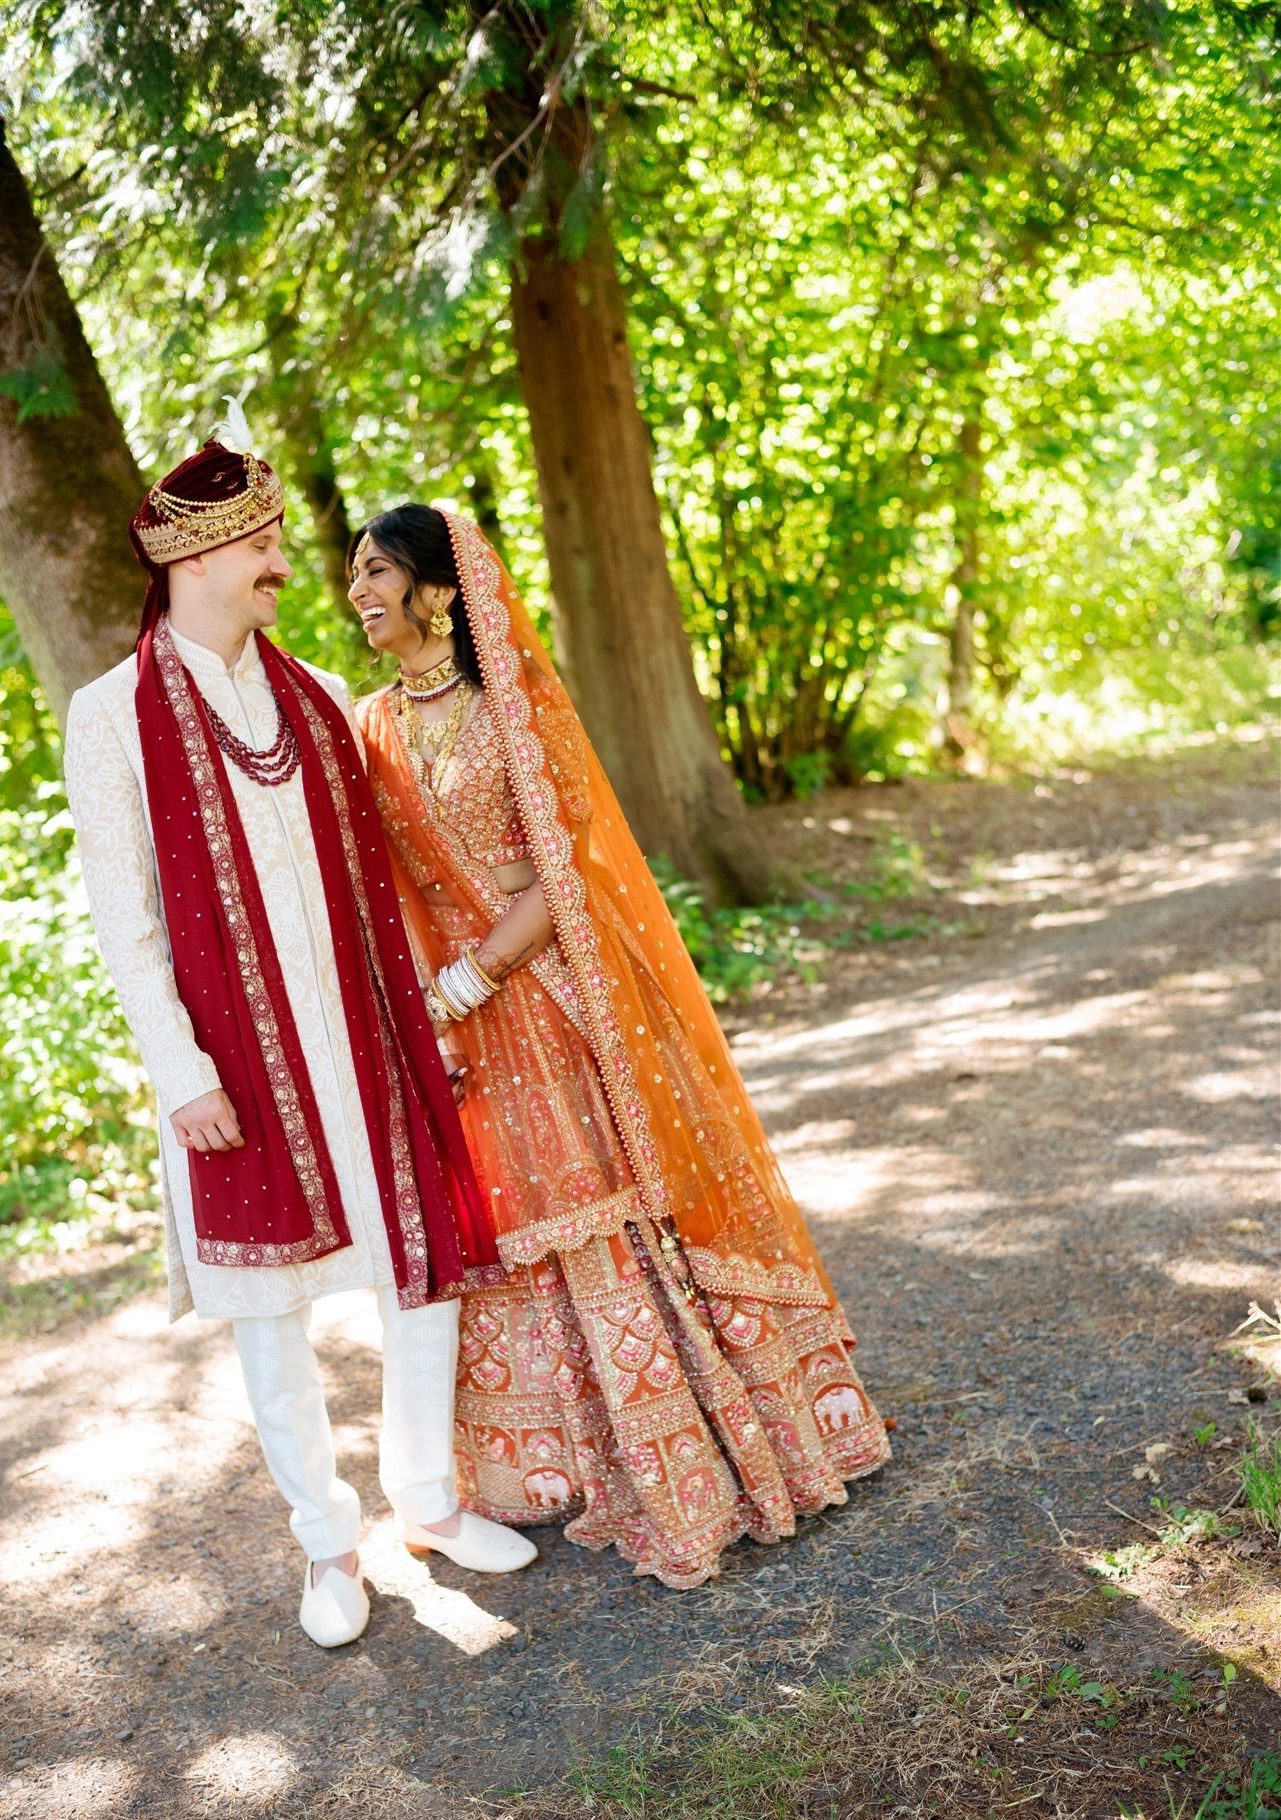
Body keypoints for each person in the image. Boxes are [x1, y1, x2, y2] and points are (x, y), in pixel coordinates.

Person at [352, 505, 891, 1589]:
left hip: (537, 993)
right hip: (451, 1019)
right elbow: (392, 882)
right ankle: (553, 1466)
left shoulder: (515, 710)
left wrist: (468, 979)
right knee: (514, 1226)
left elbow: (565, 874)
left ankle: (687, 1457)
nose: (358, 590)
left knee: (596, 1208)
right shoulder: (370, 724)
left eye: (379, 572)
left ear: (441, 593)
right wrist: (424, 1005)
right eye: (352, 574)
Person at [63, 436, 536, 1651]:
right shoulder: (110, 715)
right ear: (203, 554)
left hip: (360, 1036)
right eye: (264, 545)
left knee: (414, 1267)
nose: (284, 564)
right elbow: (127, 921)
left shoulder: (318, 696)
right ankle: (328, 1540)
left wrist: (434, 1010)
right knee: (267, 1310)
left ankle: (425, 1499)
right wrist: (182, 1072)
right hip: (232, 1065)